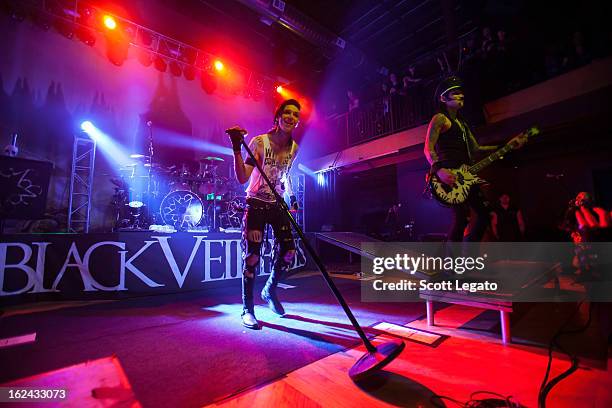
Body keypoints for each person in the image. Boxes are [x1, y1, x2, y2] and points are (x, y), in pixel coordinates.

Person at [423, 76, 527, 242]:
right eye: (455, 93)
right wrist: (439, 170)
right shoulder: (440, 119)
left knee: (485, 214)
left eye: (461, 92)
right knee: (462, 217)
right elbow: (428, 148)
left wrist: (507, 146)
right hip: (450, 175)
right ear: (443, 98)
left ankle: (466, 250)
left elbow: (476, 149)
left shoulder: (463, 124)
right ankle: (451, 264)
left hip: (466, 174)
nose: (461, 95)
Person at [227, 99, 300, 330]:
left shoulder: (294, 148)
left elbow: (285, 175)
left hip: (277, 204)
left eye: (295, 114)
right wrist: (237, 148)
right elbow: (242, 177)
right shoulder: (259, 142)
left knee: (289, 251)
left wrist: (292, 197)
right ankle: (248, 309)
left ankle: (269, 289)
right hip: (256, 203)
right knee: (253, 257)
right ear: (277, 116)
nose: (291, 117)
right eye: (287, 112)